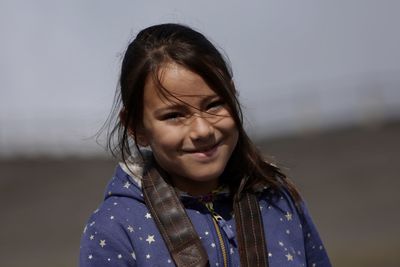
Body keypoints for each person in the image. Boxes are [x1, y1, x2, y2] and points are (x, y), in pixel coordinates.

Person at [79, 23, 331, 267]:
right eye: (174, 115)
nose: (202, 130)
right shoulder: (115, 230)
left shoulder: (278, 201)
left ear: (233, 95)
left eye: (214, 105)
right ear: (136, 127)